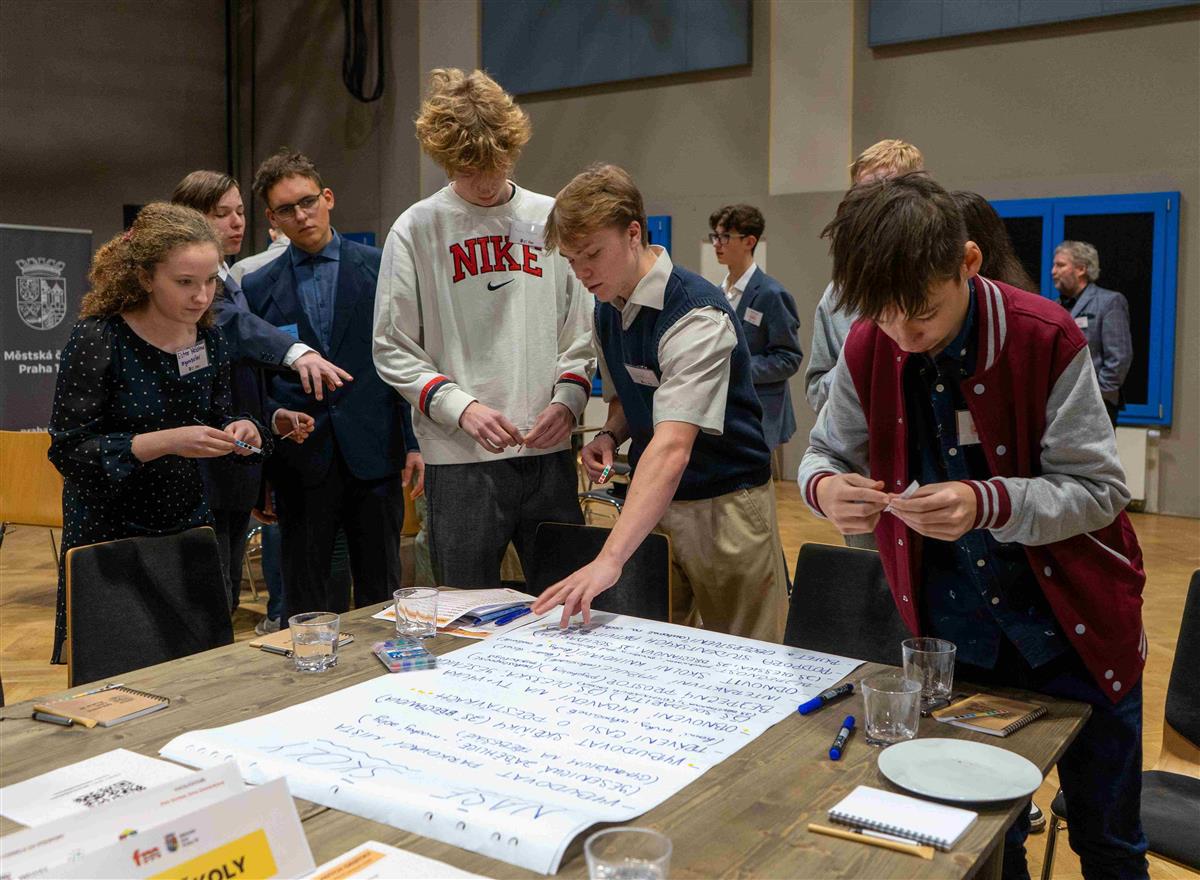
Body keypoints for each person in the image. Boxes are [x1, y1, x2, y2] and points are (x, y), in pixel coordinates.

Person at [799, 174, 1148, 879]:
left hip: (1077, 630)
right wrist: (826, 489)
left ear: (968, 263)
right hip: (958, 640)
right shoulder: (869, 345)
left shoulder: (1044, 335)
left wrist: (988, 502)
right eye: (885, 318)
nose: (904, 336)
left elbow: (1101, 491)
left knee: (1108, 841)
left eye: (922, 314)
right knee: (986, 842)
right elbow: (824, 452)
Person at [531, 164, 788, 641]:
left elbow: (672, 448)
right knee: (657, 645)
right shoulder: (607, 306)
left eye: (592, 254)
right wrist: (610, 433)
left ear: (633, 234)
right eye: (571, 260)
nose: (582, 272)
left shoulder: (695, 315)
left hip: (724, 505)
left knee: (747, 653)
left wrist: (609, 558)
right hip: (655, 503)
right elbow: (631, 395)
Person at [373, 69, 594, 588]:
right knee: (465, 608)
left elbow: (581, 329)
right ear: (445, 160)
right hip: (459, 459)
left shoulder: (549, 217)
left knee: (565, 601)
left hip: (547, 452)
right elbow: (391, 346)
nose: (488, 181)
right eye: (471, 170)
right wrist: (462, 408)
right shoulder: (417, 228)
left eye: (497, 164)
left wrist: (569, 400)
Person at [47, 203, 271, 657]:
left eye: (210, 281)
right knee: (119, 668)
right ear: (145, 277)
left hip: (187, 525)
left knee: (197, 664)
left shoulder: (209, 340)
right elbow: (69, 452)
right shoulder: (99, 338)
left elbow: (219, 413)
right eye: (185, 282)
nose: (202, 296)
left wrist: (243, 427)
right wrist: (166, 442)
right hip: (109, 532)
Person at [242, 149, 422, 624]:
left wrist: (413, 441)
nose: (302, 216)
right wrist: (262, 472)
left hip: (374, 450)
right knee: (307, 598)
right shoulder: (256, 287)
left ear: (327, 197)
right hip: (300, 459)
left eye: (307, 202)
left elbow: (405, 358)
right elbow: (256, 382)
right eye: (286, 209)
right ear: (272, 219)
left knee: (382, 592)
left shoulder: (383, 268)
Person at [171, 170, 314, 612]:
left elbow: (239, 378)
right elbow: (232, 326)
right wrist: (294, 352)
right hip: (198, 473)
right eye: (222, 214)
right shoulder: (193, 289)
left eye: (239, 212)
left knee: (225, 598)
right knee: (205, 604)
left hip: (236, 464)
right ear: (191, 218)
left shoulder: (229, 277)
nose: (236, 223)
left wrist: (271, 417)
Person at [804, 139, 925, 415]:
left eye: (887, 191)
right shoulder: (839, 293)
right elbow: (816, 393)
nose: (873, 207)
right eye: (863, 195)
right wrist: (860, 362)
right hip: (864, 434)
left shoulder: (947, 280)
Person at [708, 204, 803, 452]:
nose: (717, 244)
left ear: (749, 241)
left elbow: (788, 358)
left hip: (762, 414)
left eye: (725, 237)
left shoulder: (772, 294)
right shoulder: (716, 293)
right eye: (715, 236)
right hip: (724, 413)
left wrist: (737, 368)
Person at [1051, 241, 1132, 427]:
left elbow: (1119, 358)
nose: (1053, 271)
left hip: (1096, 405)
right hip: (1060, 405)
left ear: (1081, 269)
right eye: (1054, 265)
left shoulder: (1109, 302)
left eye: (1060, 265)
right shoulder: (1055, 307)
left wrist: (1098, 395)